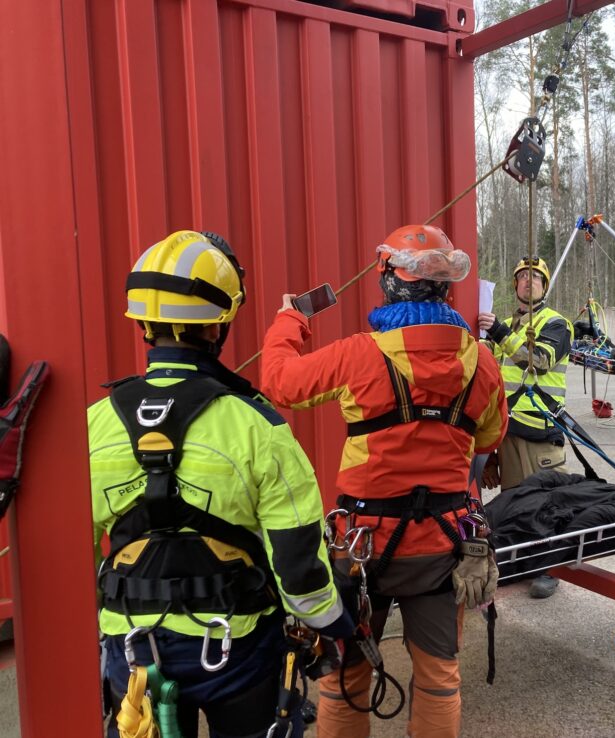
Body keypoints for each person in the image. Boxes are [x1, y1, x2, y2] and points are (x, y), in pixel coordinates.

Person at [91, 230, 352, 738]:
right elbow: (297, 563)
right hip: (235, 652)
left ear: (143, 322)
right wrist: (334, 624)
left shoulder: (95, 424)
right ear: (219, 326)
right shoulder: (259, 427)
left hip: (132, 651)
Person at [259, 224, 507, 738]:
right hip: (443, 545)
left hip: (361, 547)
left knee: (347, 676)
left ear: (390, 282)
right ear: (445, 288)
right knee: (438, 676)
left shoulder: (360, 354)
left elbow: (280, 383)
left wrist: (290, 319)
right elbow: (489, 438)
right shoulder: (481, 361)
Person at [478, 255, 573, 599]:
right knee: (514, 502)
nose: (528, 282)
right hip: (507, 430)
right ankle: (522, 563)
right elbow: (485, 372)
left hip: (540, 431)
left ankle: (550, 568)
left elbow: (541, 361)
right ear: (515, 284)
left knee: (545, 502)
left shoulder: (556, 323)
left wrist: (499, 332)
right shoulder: (503, 325)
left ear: (544, 286)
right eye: (523, 277)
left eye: (536, 278)